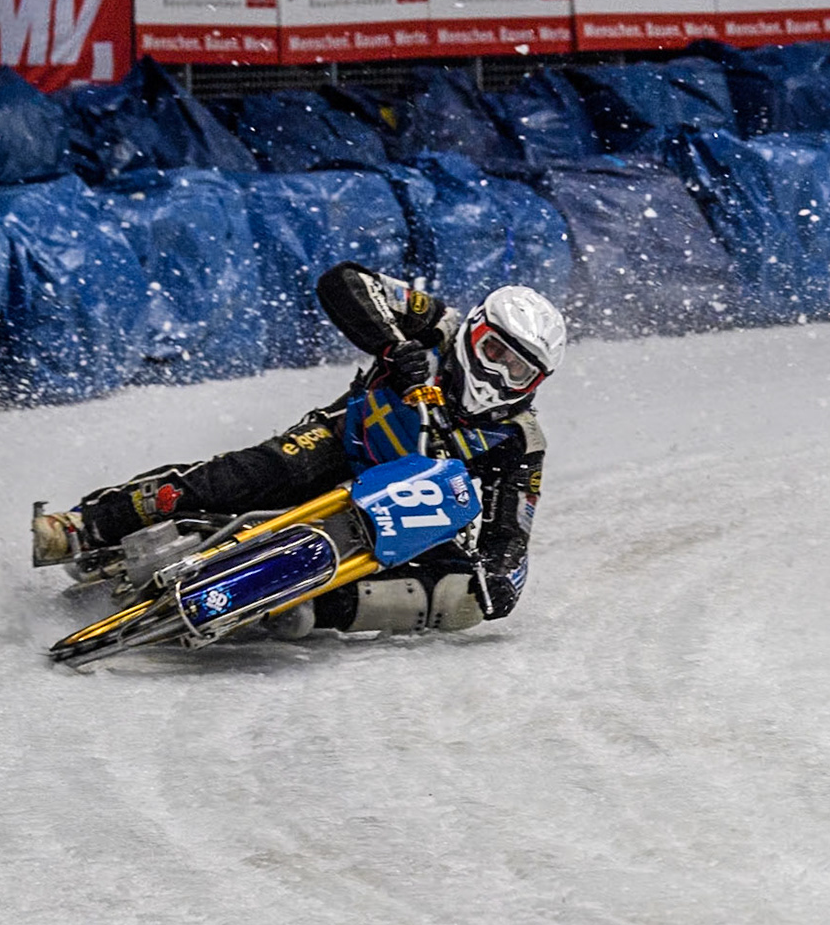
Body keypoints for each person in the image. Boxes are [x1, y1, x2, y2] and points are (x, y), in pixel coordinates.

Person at [34, 265, 565, 642]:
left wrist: (496, 570)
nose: (498, 375)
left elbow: (510, 548)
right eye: (495, 353)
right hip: (340, 441)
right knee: (242, 475)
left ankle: (310, 605)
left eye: (517, 370)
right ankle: (86, 526)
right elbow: (344, 281)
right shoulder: (438, 325)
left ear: (536, 382)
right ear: (475, 331)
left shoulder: (520, 440)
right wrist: (392, 345)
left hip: (404, 514)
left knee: (465, 598)